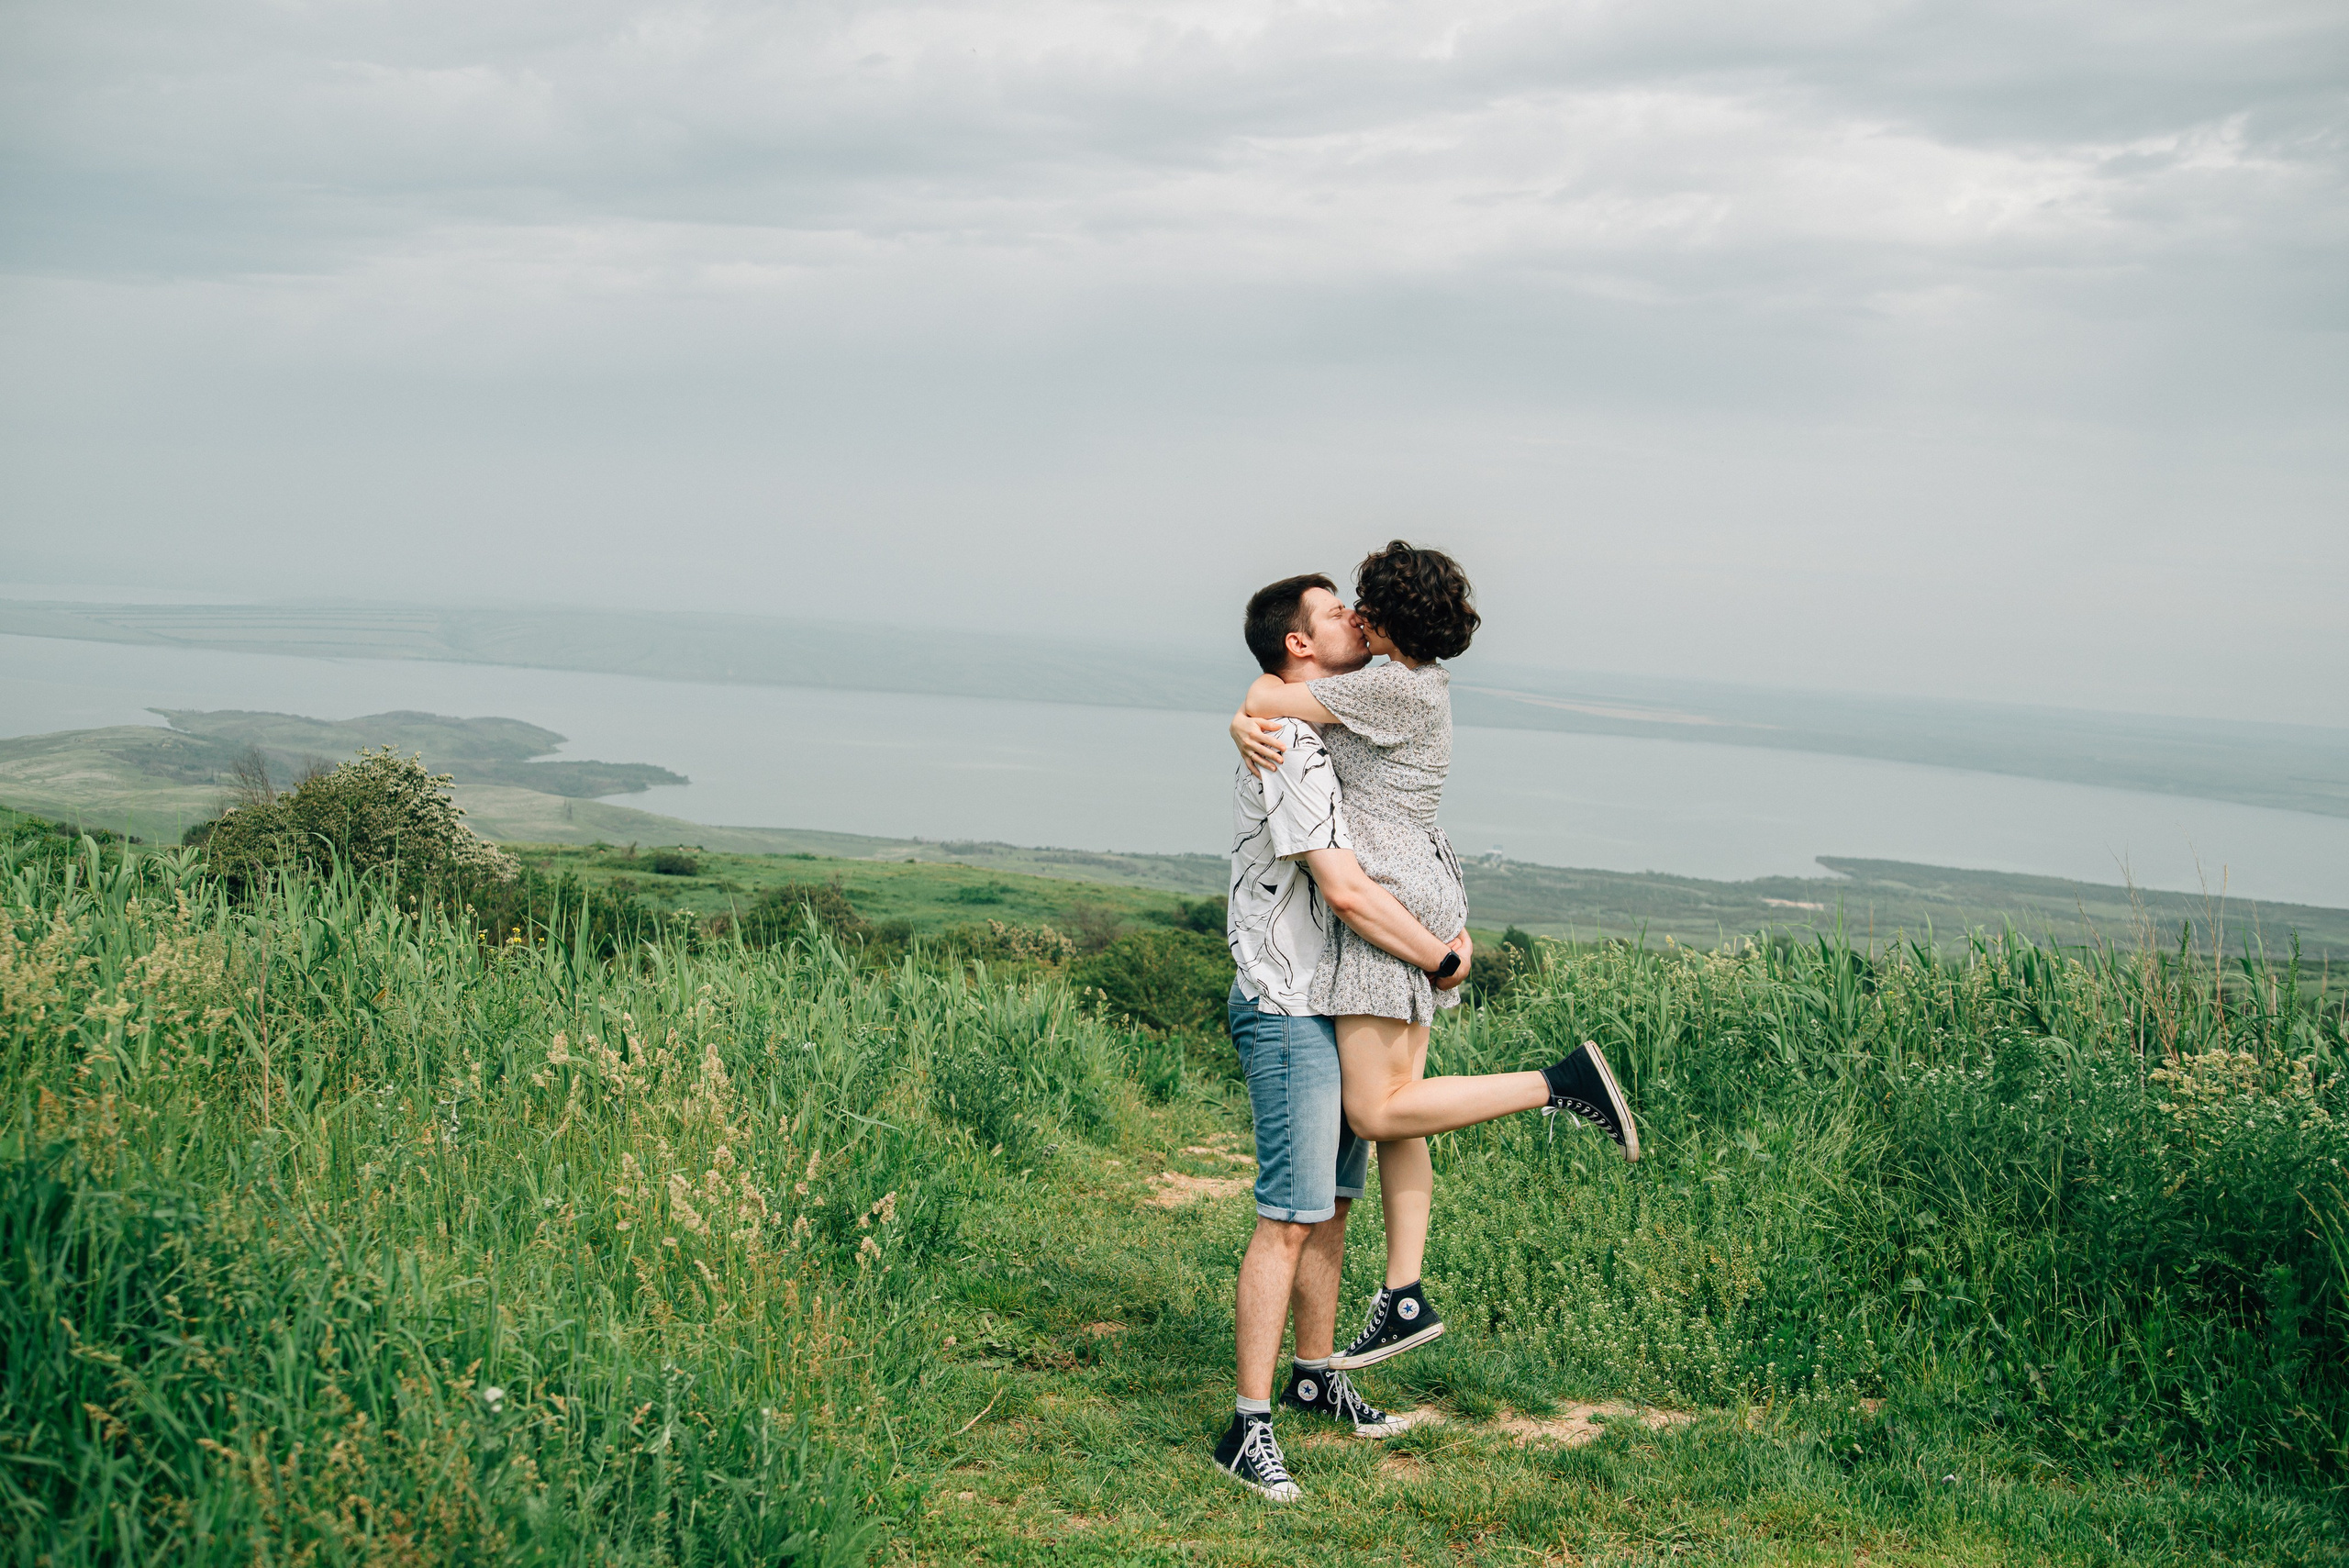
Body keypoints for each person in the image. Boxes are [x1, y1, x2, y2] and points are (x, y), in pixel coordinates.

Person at [1229, 541, 1638, 1376]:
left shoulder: (1383, 686)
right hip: (1423, 887)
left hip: (1390, 902)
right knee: (1402, 1106)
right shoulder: (1416, 683)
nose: (1350, 614)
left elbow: (1276, 691)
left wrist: (1247, 709)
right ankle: (1404, 1291)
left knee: (1379, 1111)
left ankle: (1557, 1084)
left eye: (1357, 608)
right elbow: (1282, 693)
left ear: (1381, 623)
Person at [1212, 573, 1473, 1504]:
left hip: (1337, 1000)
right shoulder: (1286, 738)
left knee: (1330, 1204)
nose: (1352, 621)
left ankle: (1315, 1370)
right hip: (1287, 1004)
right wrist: (1441, 958)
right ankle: (1246, 1428)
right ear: (1296, 646)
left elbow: (1404, 821)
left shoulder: (1327, 720)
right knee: (1287, 1214)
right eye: (1332, 615)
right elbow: (1351, 891)